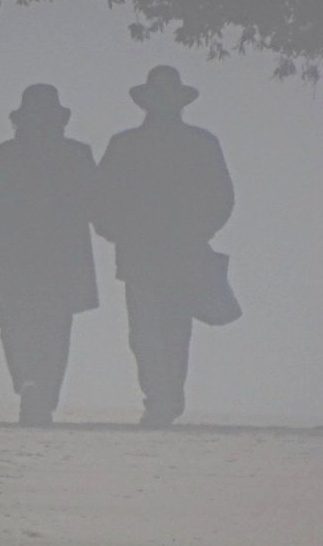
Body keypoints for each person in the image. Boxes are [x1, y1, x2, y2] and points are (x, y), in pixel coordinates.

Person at [94, 65, 235, 426]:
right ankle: (163, 394)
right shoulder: (189, 143)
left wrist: (196, 231)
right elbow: (102, 199)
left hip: (164, 250)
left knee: (161, 327)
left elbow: (221, 198)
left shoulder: (135, 145)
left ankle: (163, 394)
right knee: (157, 329)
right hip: (157, 250)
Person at [0, 84, 98, 425]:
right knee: (55, 326)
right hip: (63, 259)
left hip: (14, 259)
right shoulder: (77, 155)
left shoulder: (4, 155)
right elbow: (94, 204)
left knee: (14, 323)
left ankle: (29, 383)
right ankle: (43, 391)